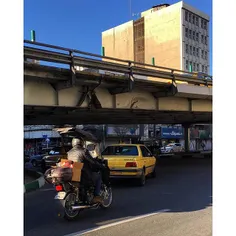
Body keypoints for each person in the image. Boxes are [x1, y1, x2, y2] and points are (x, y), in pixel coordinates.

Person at [67, 138, 103, 204]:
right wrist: (100, 165)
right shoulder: (83, 151)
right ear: (81, 143)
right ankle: (96, 196)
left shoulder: (69, 152)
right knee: (98, 177)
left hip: (73, 172)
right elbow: (92, 161)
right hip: (83, 173)